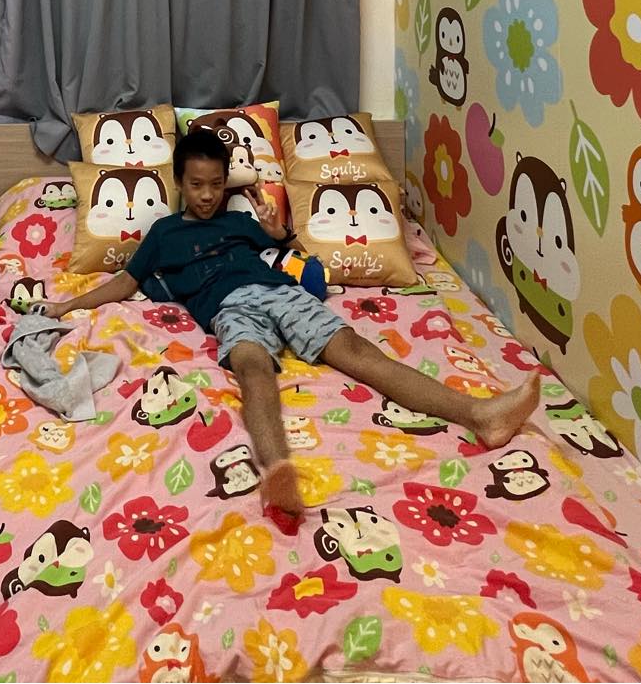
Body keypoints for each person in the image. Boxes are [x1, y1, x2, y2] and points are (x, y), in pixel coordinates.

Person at [42, 127, 540, 514]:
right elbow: (125, 282)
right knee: (252, 369)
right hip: (230, 308)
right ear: (178, 183)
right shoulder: (163, 233)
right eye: (196, 185)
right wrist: (67, 307)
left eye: (216, 184)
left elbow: (300, 259)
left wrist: (280, 234)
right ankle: (277, 469)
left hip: (279, 292)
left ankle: (481, 415)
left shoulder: (241, 221)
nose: (207, 195)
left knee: (358, 353)